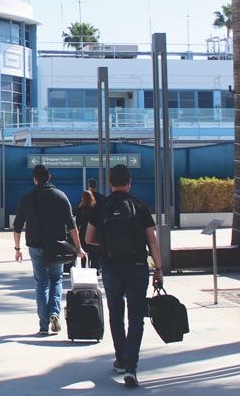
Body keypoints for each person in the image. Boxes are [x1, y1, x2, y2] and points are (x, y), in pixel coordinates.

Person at [85, 164, 162, 389]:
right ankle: (131, 367)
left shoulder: (101, 206)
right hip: (137, 266)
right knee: (136, 317)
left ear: (110, 183)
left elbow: (89, 238)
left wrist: (107, 244)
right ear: (129, 183)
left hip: (110, 266)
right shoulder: (139, 206)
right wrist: (159, 268)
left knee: (115, 314)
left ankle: (120, 359)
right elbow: (152, 240)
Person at [13, 164, 85, 336]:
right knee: (56, 280)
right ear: (50, 177)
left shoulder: (27, 198)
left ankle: (43, 324)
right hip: (56, 247)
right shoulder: (60, 196)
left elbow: (17, 226)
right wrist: (78, 247)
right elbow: (72, 225)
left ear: (34, 179)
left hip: (36, 247)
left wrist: (17, 248)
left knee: (41, 284)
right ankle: (54, 313)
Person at [73, 189, 101, 271]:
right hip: (93, 232)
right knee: (94, 253)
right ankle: (95, 270)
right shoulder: (95, 208)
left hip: (83, 233)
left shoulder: (80, 209)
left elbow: (77, 223)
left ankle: (83, 269)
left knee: (84, 253)